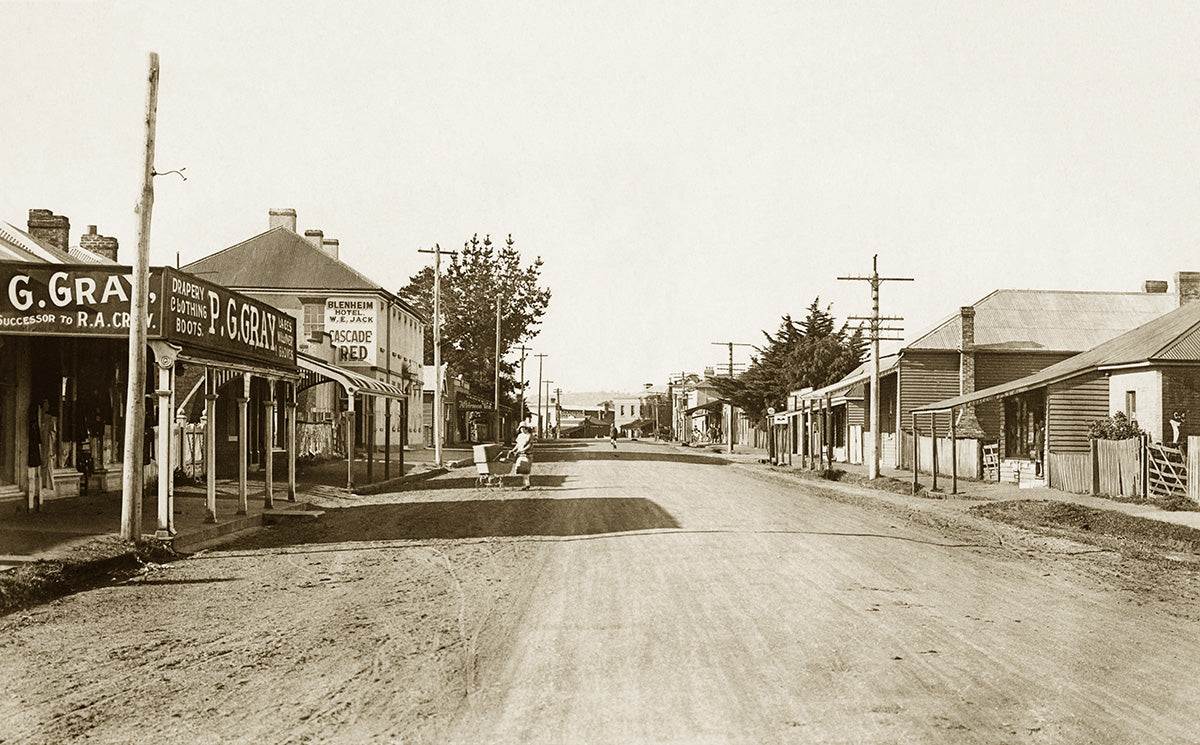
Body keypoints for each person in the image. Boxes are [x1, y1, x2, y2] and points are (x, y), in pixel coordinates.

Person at [512, 424, 534, 490]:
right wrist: (513, 450)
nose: (522, 430)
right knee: (520, 469)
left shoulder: (529, 436)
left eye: (524, 428)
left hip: (527, 455)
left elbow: (529, 445)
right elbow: (518, 444)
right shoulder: (520, 436)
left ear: (526, 428)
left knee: (526, 470)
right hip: (520, 455)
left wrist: (522, 450)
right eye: (521, 428)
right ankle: (525, 484)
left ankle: (527, 484)